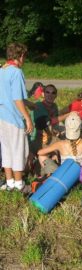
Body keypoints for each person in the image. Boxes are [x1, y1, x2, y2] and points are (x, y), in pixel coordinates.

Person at [0, 43, 33, 191]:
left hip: (2, 116)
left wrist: (29, 103)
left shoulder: (2, 70)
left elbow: (8, 93)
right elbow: (16, 99)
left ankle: (10, 182)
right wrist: (27, 117)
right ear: (21, 56)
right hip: (14, 117)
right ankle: (20, 184)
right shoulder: (16, 72)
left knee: (6, 149)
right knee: (19, 150)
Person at [30, 84, 69, 154]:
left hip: (47, 136)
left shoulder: (54, 106)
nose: (50, 95)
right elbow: (50, 122)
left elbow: (53, 125)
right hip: (35, 138)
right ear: (43, 94)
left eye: (53, 93)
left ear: (56, 96)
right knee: (63, 145)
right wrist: (68, 115)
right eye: (47, 92)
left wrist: (55, 131)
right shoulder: (39, 105)